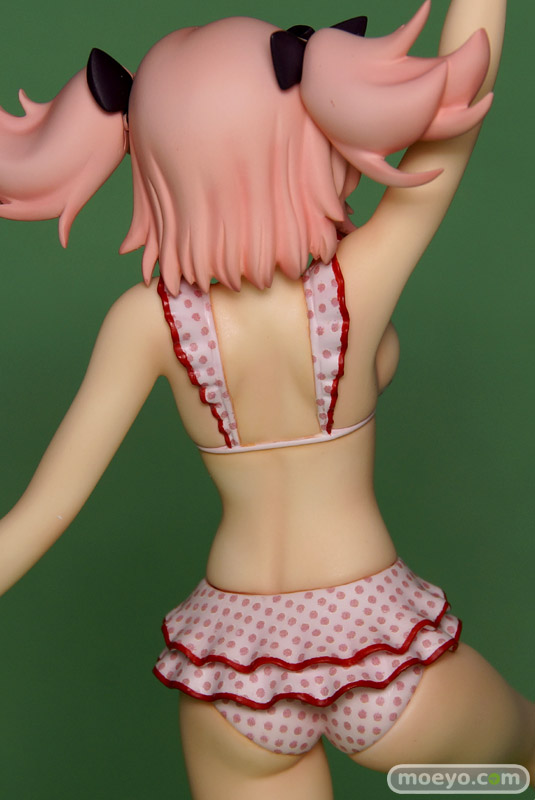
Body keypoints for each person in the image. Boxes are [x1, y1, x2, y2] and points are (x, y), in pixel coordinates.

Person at [0, 1, 532, 798]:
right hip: (379, 651)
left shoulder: (148, 322)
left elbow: (40, 515)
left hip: (237, 674)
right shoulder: (360, 282)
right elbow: (459, 100)